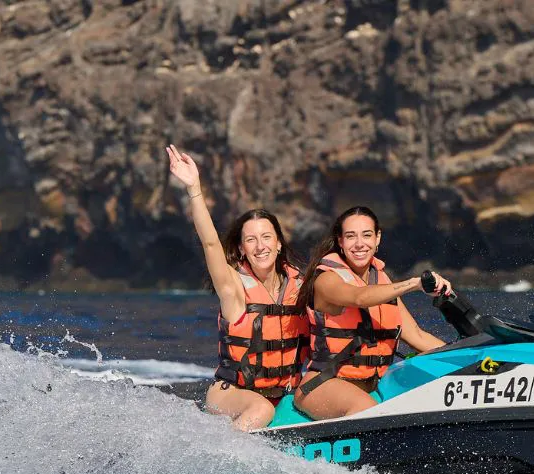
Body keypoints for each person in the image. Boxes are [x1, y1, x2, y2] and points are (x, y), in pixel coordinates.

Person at [166, 144, 309, 431]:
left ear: (279, 244)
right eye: (251, 240)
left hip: (284, 392)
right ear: (242, 249)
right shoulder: (233, 288)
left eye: (266, 237)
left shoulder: (301, 287)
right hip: (232, 394)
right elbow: (210, 243)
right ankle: (226, 456)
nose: (260, 246)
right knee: (261, 408)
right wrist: (194, 189)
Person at [294, 206, 452, 420]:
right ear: (340, 241)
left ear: (378, 238)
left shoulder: (381, 282)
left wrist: (469, 358)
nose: (359, 243)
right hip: (322, 385)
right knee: (366, 409)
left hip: (373, 385)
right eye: (351, 236)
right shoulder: (326, 279)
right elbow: (359, 298)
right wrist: (415, 284)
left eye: (367, 235)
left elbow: (417, 336)